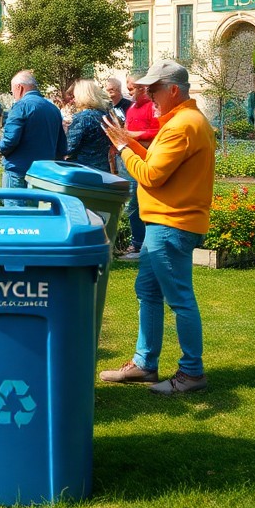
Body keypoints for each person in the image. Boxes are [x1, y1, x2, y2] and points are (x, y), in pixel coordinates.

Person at [101, 60, 215, 395]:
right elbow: (155, 163)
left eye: (153, 88)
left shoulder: (182, 125)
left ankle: (192, 373)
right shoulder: (184, 121)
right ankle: (144, 364)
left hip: (171, 223)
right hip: (164, 223)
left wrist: (123, 147)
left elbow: (150, 175)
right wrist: (129, 142)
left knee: (180, 299)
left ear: (174, 89)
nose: (147, 94)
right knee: (148, 291)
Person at [0, 71, 66, 205]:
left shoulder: (21, 106)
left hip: (18, 170)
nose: (13, 95)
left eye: (12, 91)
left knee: (15, 217)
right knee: (38, 217)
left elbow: (10, 139)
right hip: (44, 173)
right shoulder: (53, 109)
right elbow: (62, 146)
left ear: (19, 88)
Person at [120, 73, 161, 259]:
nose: (128, 92)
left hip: (145, 158)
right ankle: (138, 242)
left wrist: (137, 135)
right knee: (132, 203)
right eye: (128, 88)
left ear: (142, 88)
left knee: (138, 203)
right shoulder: (132, 108)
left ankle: (141, 244)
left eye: (131, 88)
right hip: (130, 159)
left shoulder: (152, 107)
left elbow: (159, 130)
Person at [65, 79, 114, 171]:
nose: (74, 99)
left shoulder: (82, 117)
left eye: (75, 96)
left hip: (84, 170)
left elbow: (69, 147)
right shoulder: (105, 115)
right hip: (103, 168)